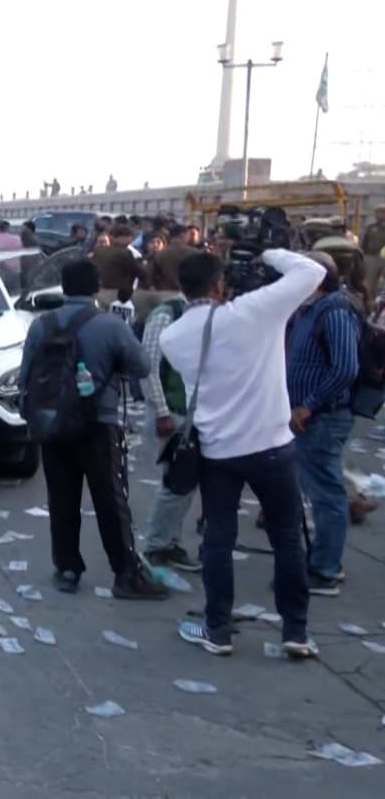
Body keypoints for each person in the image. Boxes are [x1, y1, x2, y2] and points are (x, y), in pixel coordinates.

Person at [160, 249, 325, 658]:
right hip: (272, 445)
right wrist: (268, 253)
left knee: (218, 539)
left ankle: (217, 631)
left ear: (183, 288)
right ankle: (296, 632)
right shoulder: (255, 311)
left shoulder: (172, 336)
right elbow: (313, 270)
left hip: (219, 452)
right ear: (219, 284)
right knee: (288, 539)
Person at [19, 258, 166, 599]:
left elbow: (26, 373)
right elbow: (142, 366)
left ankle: (68, 569)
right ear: (96, 285)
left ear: (64, 286)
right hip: (98, 424)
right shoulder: (110, 326)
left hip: (53, 424)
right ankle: (125, 574)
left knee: (62, 498)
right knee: (110, 500)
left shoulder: (42, 325)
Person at [285, 251, 359, 596]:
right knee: (318, 489)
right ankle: (322, 560)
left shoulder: (335, 310)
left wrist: (308, 406)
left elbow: (345, 368)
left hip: (323, 417)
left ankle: (325, 569)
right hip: (309, 415)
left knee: (327, 494)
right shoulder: (309, 309)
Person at [138, 272, 199, 572]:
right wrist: (162, 412)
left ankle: (169, 542)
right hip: (171, 414)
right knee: (176, 482)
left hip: (190, 413)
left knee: (183, 484)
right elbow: (148, 367)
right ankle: (157, 546)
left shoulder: (198, 316)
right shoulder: (166, 316)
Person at [93, 224, 142, 308]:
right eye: (128, 237)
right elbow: (138, 272)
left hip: (99, 292)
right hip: (117, 294)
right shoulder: (125, 253)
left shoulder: (99, 250)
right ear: (122, 237)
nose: (130, 240)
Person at [361, 205, 385, 305]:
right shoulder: (371, 227)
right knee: (369, 284)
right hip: (371, 257)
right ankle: (369, 306)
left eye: (381, 212)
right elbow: (364, 243)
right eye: (377, 212)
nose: (379, 214)